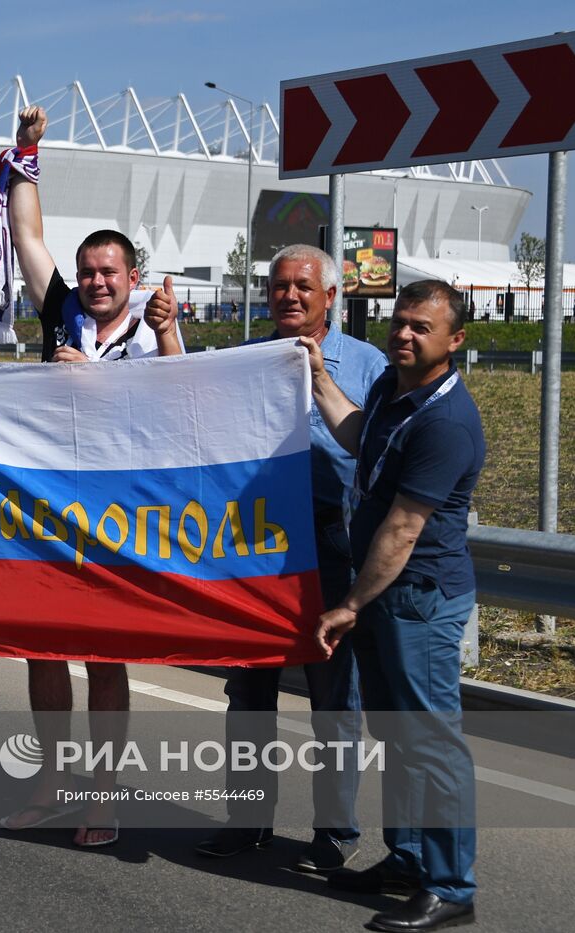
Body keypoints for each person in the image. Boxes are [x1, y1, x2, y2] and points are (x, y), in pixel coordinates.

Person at [0, 105, 183, 848]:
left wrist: (161, 339)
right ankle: (51, 782)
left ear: (132, 276)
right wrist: (28, 151)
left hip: (118, 513)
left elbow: (183, 407)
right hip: (49, 509)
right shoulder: (60, 310)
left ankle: (102, 794)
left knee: (104, 658)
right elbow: (25, 233)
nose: (95, 281)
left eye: (109, 271)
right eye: (88, 271)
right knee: (43, 650)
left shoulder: (153, 327)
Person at [302, 279, 483, 932]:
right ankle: (407, 858)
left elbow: (403, 529)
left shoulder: (447, 422)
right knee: (399, 737)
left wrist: (348, 603)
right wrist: (319, 375)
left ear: (454, 340)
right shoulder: (391, 386)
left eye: (421, 328)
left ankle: (451, 886)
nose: (404, 335)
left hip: (416, 599)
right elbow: (356, 435)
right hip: (385, 596)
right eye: (399, 322)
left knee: (432, 744)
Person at [197, 244, 386, 871]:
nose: (290, 297)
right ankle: (247, 820)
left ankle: (334, 832)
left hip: (331, 542)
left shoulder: (366, 365)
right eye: (279, 286)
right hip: (256, 547)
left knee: (335, 697)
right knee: (248, 694)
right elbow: (191, 418)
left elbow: (375, 457)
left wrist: (319, 384)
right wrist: (170, 333)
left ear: (330, 296)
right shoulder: (246, 359)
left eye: (304, 286)